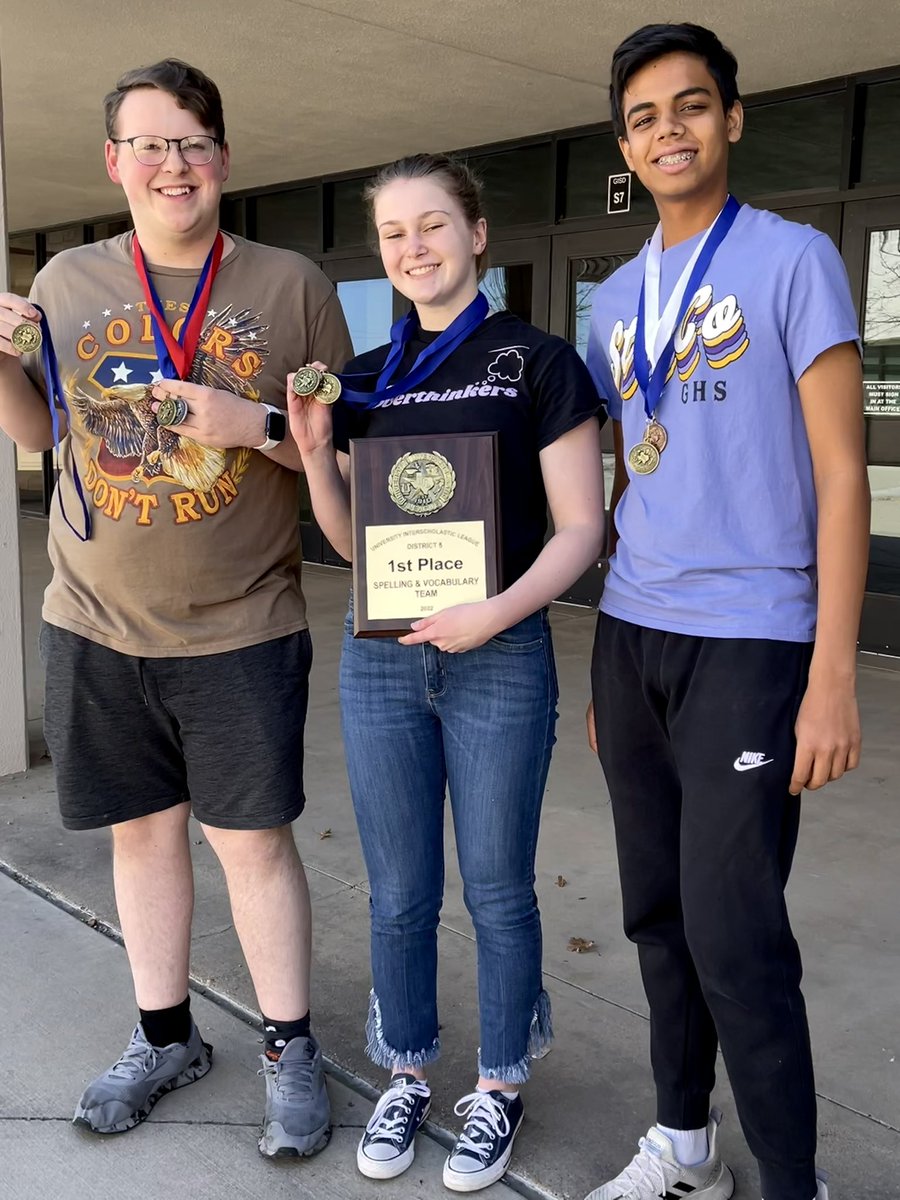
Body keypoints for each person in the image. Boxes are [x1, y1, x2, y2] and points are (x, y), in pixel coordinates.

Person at [0, 59, 351, 1156]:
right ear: (114, 162)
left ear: (224, 157)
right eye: (148, 144)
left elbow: (344, 456)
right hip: (95, 616)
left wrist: (245, 422)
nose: (172, 163)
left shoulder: (292, 287)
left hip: (241, 622)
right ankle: (165, 1037)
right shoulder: (65, 282)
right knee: (142, 840)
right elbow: (33, 436)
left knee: (252, 845)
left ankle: (290, 1048)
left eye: (192, 141)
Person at [583, 23, 869, 1200]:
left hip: (756, 638)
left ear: (733, 119)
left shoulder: (796, 259)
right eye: (645, 117)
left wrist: (834, 674)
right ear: (626, 144)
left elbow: (845, 472)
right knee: (656, 913)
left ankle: (793, 1182)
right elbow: (628, 469)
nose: (670, 131)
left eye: (692, 107)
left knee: (736, 932)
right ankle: (686, 1152)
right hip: (633, 633)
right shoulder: (611, 300)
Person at [286, 153, 605, 1191]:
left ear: (477, 236)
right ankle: (408, 1072)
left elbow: (581, 530)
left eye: (432, 225)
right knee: (399, 892)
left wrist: (495, 613)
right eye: (393, 235)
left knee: (499, 889)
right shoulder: (370, 376)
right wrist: (317, 449)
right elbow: (345, 543)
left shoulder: (538, 362)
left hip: (501, 655)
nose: (413, 247)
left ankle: (500, 1087)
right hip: (382, 662)